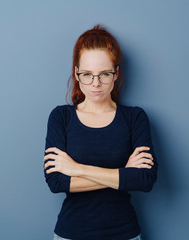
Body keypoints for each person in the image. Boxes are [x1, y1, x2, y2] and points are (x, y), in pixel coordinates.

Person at [43, 24, 158, 240]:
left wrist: (77, 169)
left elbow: (145, 179)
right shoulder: (61, 117)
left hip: (124, 234)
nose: (96, 84)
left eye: (104, 74)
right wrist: (124, 172)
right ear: (76, 74)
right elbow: (56, 182)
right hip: (71, 234)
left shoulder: (134, 118)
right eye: (87, 74)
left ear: (116, 74)